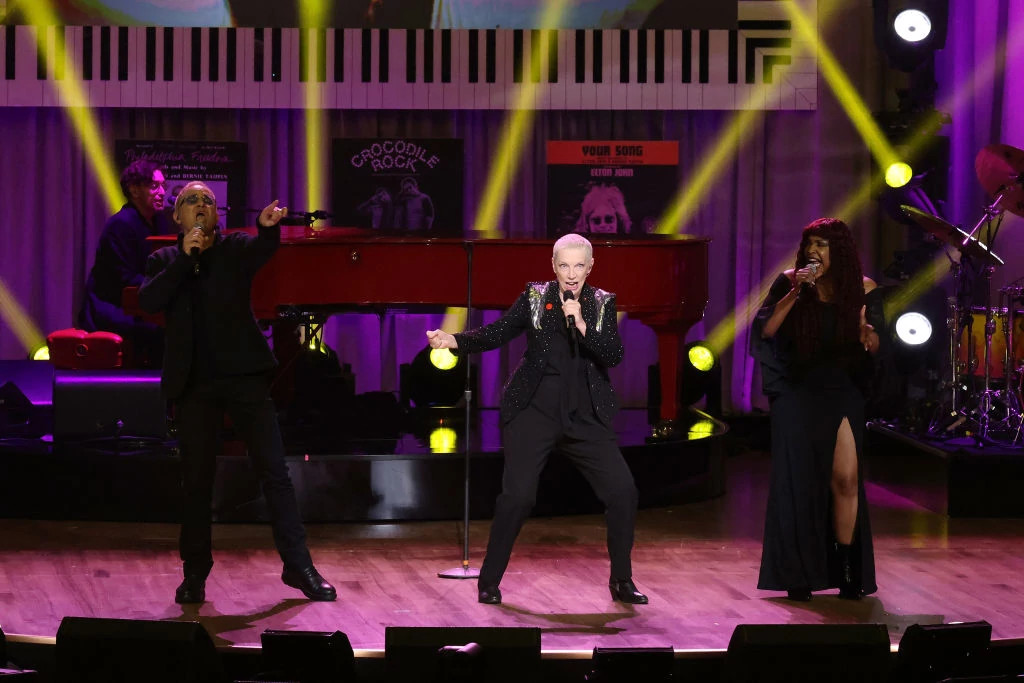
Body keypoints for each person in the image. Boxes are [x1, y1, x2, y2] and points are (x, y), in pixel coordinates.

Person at [138, 181, 336, 604]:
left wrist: (268, 229)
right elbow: (150, 300)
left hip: (244, 378)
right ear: (177, 217)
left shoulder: (234, 251)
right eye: (191, 201)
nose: (201, 206)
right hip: (194, 386)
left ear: (216, 215)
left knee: (275, 473)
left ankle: (298, 566)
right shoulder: (164, 259)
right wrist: (184, 259)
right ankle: (195, 573)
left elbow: (263, 250)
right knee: (196, 483)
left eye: (207, 201)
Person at [426, 233, 647, 606]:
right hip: (533, 410)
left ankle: (622, 580)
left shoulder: (601, 302)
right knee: (518, 496)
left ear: (590, 267)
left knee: (623, 492)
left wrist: (581, 326)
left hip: (585, 415)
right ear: (554, 266)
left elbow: (613, 354)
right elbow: (499, 332)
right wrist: (455, 341)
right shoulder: (534, 297)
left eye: (579, 266)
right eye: (564, 265)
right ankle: (489, 580)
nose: (572, 274)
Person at [751, 217, 883, 601]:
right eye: (810, 243)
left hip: (841, 390)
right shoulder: (789, 282)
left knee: (845, 478)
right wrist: (795, 293)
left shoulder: (864, 290)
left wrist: (869, 337)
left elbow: (877, 348)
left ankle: (846, 568)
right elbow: (766, 331)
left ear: (839, 249)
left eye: (822, 244)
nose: (813, 251)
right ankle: (799, 574)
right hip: (796, 390)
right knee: (799, 481)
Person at [79, 159, 173, 367]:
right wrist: (165, 288)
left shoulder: (161, 221)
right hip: (114, 306)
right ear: (134, 190)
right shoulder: (121, 225)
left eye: (163, 186)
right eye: (154, 185)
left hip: (144, 298)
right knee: (161, 331)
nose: (162, 192)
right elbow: (125, 279)